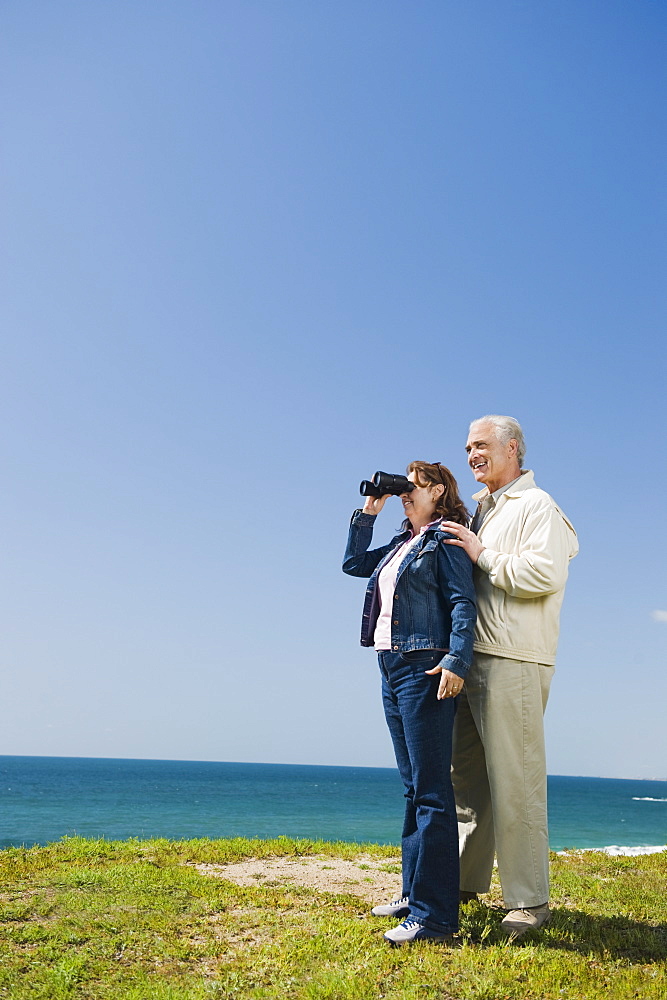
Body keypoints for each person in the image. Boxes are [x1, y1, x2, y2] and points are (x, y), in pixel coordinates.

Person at [441, 415, 578, 939]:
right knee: (467, 782)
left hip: (515, 658)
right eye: (467, 447)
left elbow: (544, 574)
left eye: (480, 445)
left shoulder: (538, 506)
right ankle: (461, 882)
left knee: (516, 781)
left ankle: (528, 902)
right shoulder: (479, 509)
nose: (471, 454)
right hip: (470, 657)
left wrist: (482, 554)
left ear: (512, 448)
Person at [343, 462, 476, 946]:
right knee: (412, 788)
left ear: (437, 490)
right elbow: (354, 564)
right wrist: (368, 511)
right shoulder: (403, 542)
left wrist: (458, 660)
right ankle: (413, 892)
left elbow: (463, 601)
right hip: (390, 665)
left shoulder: (446, 538)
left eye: (411, 485)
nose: (404, 492)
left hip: (426, 664)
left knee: (432, 791)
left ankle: (435, 918)